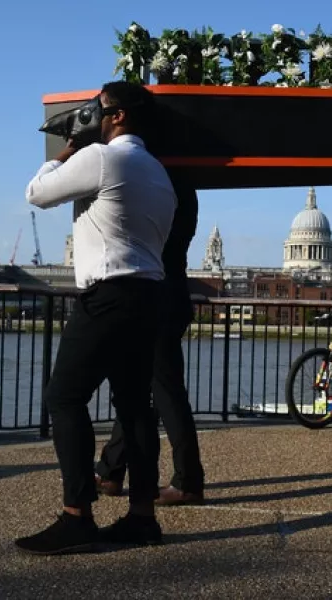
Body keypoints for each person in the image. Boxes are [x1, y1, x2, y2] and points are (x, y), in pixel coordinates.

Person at [15, 81, 176, 555]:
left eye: (96, 110)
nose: (90, 117)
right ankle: (142, 518)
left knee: (64, 398)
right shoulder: (158, 173)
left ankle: (77, 516)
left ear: (119, 116)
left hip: (107, 294)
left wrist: (67, 150)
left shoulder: (104, 158)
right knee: (133, 406)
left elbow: (37, 194)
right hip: (149, 295)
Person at [95, 178, 206, 506]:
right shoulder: (182, 192)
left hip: (154, 297)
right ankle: (111, 470)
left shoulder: (157, 188)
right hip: (171, 295)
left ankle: (188, 480)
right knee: (141, 389)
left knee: (166, 393)